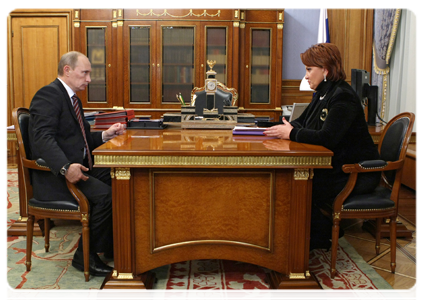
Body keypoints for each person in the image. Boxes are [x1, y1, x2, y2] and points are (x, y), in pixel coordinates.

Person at [264, 43, 381, 250]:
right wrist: (276, 129)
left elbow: (327, 138)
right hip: (335, 169)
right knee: (290, 182)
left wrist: (291, 133)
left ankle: (315, 237)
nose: (306, 76)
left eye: (309, 69)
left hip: (355, 173)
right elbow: (303, 123)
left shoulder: (342, 96)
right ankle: (305, 236)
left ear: (325, 70)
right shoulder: (322, 93)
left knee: (294, 185)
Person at [28, 51, 125, 276]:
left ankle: (110, 246)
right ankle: (84, 258)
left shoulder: (73, 99)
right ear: (67, 70)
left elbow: (79, 140)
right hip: (56, 176)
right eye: (85, 73)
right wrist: (64, 167)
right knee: (106, 197)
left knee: (122, 177)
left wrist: (106, 135)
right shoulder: (49, 94)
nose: (89, 79)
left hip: (80, 165)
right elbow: (42, 138)